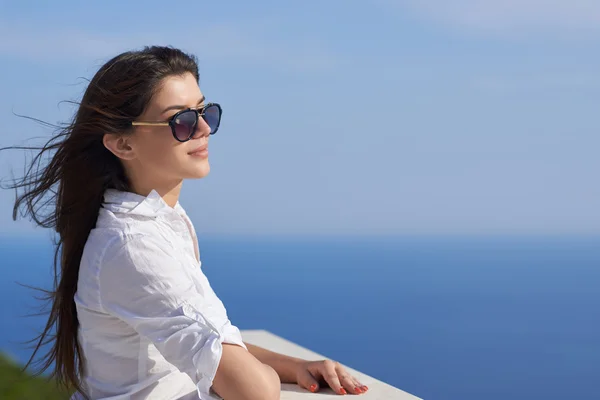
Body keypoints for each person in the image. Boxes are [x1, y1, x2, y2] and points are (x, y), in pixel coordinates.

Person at [2, 46, 369, 399]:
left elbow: (202, 342)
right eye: (182, 120)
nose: (203, 129)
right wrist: (262, 373)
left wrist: (294, 366)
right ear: (123, 145)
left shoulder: (157, 221)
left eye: (204, 111)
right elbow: (253, 390)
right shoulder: (134, 244)